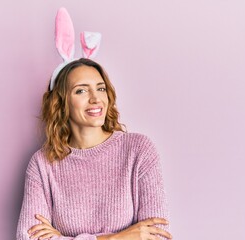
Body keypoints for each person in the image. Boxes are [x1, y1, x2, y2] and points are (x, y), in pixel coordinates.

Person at [16, 58, 172, 240]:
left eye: (101, 88)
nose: (96, 98)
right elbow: (27, 237)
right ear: (61, 102)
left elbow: (158, 236)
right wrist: (116, 238)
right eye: (81, 90)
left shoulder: (138, 150)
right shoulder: (42, 163)